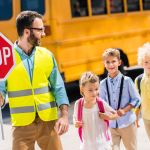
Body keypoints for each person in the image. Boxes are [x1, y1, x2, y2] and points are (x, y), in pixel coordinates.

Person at [0, 11, 69, 150]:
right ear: (27, 32)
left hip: (48, 122)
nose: (43, 33)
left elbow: (58, 87)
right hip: (21, 125)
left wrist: (64, 115)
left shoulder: (47, 55)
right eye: (40, 30)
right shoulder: (7, 58)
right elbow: (1, 89)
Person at [99, 48, 141, 150]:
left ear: (119, 62)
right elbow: (102, 104)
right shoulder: (103, 84)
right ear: (104, 64)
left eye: (113, 61)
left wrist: (124, 110)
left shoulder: (127, 81)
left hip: (127, 123)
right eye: (107, 62)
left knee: (131, 148)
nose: (111, 64)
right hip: (112, 125)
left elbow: (136, 99)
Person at [73, 71, 118, 150]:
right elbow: (74, 117)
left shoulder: (101, 103)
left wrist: (108, 117)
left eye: (96, 89)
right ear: (82, 89)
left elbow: (115, 115)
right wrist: (75, 123)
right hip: (87, 144)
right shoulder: (78, 104)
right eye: (90, 90)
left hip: (102, 144)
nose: (94, 92)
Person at [135, 42, 150, 140]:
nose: (149, 65)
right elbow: (137, 102)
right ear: (141, 63)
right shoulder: (138, 80)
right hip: (146, 118)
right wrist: (136, 118)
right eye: (146, 62)